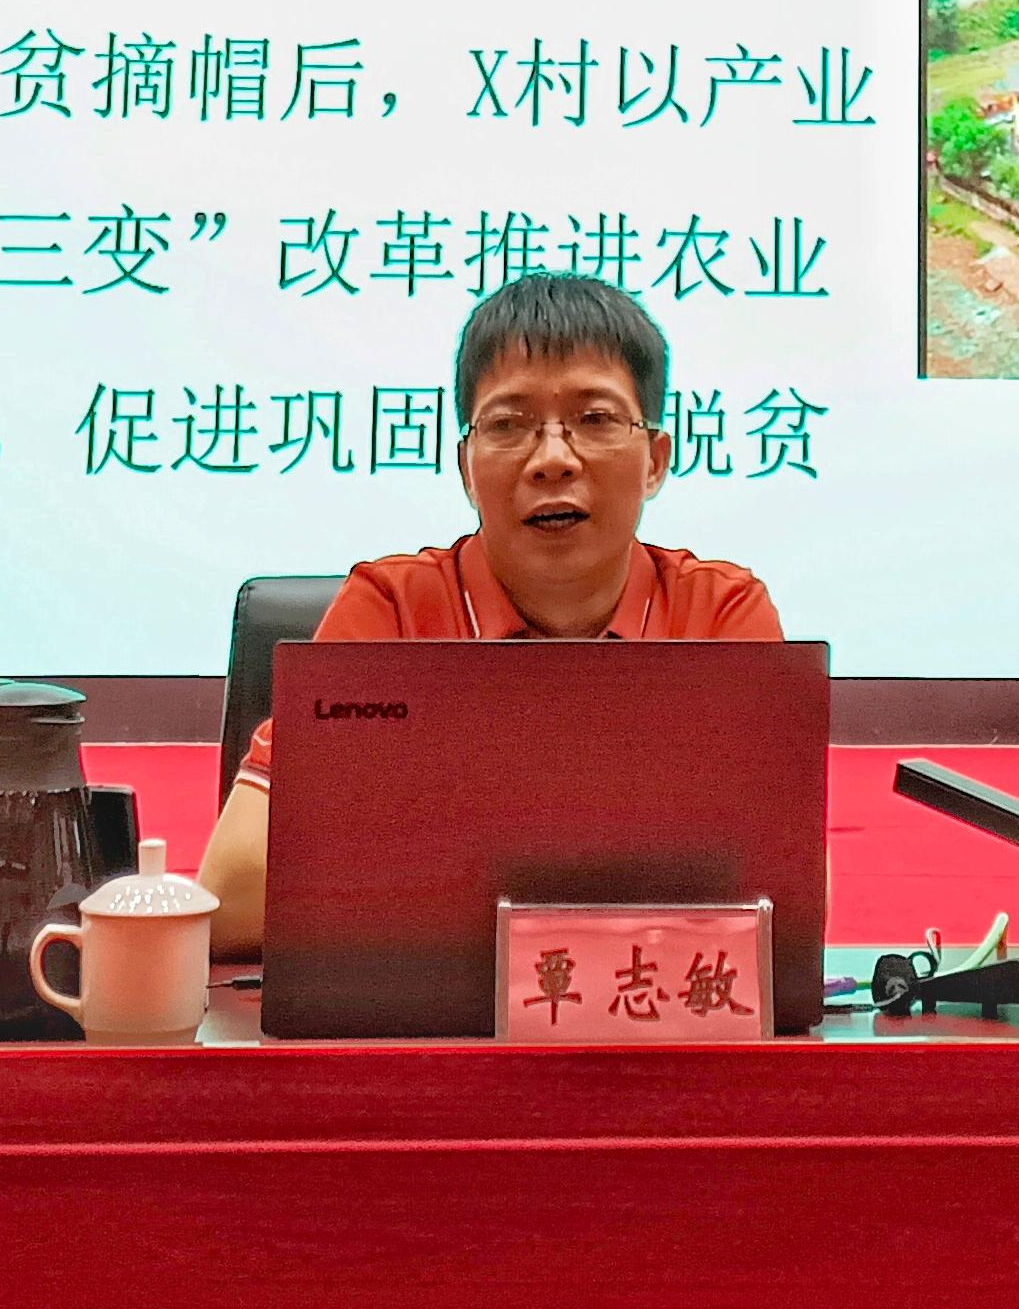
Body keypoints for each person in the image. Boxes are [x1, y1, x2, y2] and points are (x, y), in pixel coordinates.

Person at [200, 274, 783, 956]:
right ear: (466, 469)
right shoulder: (391, 612)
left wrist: (415, 855)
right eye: (508, 425)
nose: (553, 460)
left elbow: (778, 898)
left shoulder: (719, 616)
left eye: (595, 419)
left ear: (655, 460)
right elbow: (234, 891)